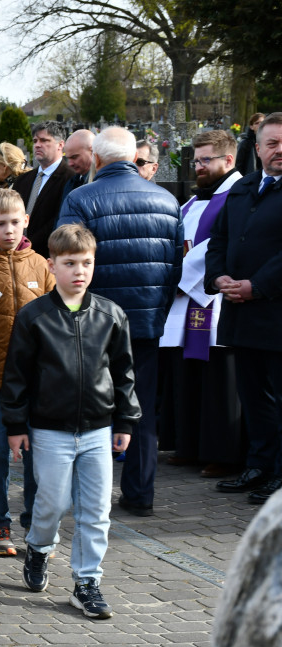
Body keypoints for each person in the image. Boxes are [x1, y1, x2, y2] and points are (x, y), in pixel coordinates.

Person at [3, 223, 141, 620]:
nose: (79, 271)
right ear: (52, 265)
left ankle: (86, 583)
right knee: (51, 503)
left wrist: (126, 421)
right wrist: (16, 425)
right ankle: (39, 547)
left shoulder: (111, 315)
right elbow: (16, 375)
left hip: (98, 428)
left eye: (86, 263)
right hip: (50, 430)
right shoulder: (34, 317)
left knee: (96, 510)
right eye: (69, 263)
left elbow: (124, 373)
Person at [58, 126, 183, 517]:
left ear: (96, 158)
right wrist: (157, 311)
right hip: (145, 322)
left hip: (92, 322)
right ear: (133, 158)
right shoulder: (167, 200)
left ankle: (86, 493)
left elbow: (67, 261)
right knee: (140, 406)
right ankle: (140, 493)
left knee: (87, 405)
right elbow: (175, 269)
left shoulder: (81, 198)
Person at [0, 189, 55, 556]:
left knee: (37, 456)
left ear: (26, 222)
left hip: (35, 381)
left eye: (15, 222)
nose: (9, 230)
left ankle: (34, 522)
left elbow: (57, 322)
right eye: (1, 223)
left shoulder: (41, 266)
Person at [158, 130, 245, 479]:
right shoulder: (195, 200)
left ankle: (221, 452)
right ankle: (190, 445)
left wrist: (177, 279)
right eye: (196, 161)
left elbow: (215, 246)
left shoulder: (238, 195)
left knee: (217, 378)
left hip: (215, 299)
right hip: (187, 301)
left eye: (206, 160)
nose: (199, 167)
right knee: (188, 373)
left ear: (229, 159)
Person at [205, 111, 282, 505]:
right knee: (252, 397)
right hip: (241, 314)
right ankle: (258, 465)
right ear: (258, 147)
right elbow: (219, 240)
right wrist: (218, 277)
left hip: (275, 314)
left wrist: (258, 286)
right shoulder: (244, 188)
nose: (279, 150)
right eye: (272, 143)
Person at [13, 122, 72, 258]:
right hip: (17, 254)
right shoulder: (23, 180)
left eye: (44, 140)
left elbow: (59, 221)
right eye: (35, 141)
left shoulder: (70, 179)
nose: (37, 145)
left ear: (60, 145)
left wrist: (29, 245)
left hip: (49, 256)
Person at [60, 130, 95, 208]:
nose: (70, 164)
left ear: (92, 150)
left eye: (74, 157)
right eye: (68, 158)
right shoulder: (71, 182)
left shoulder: (101, 182)